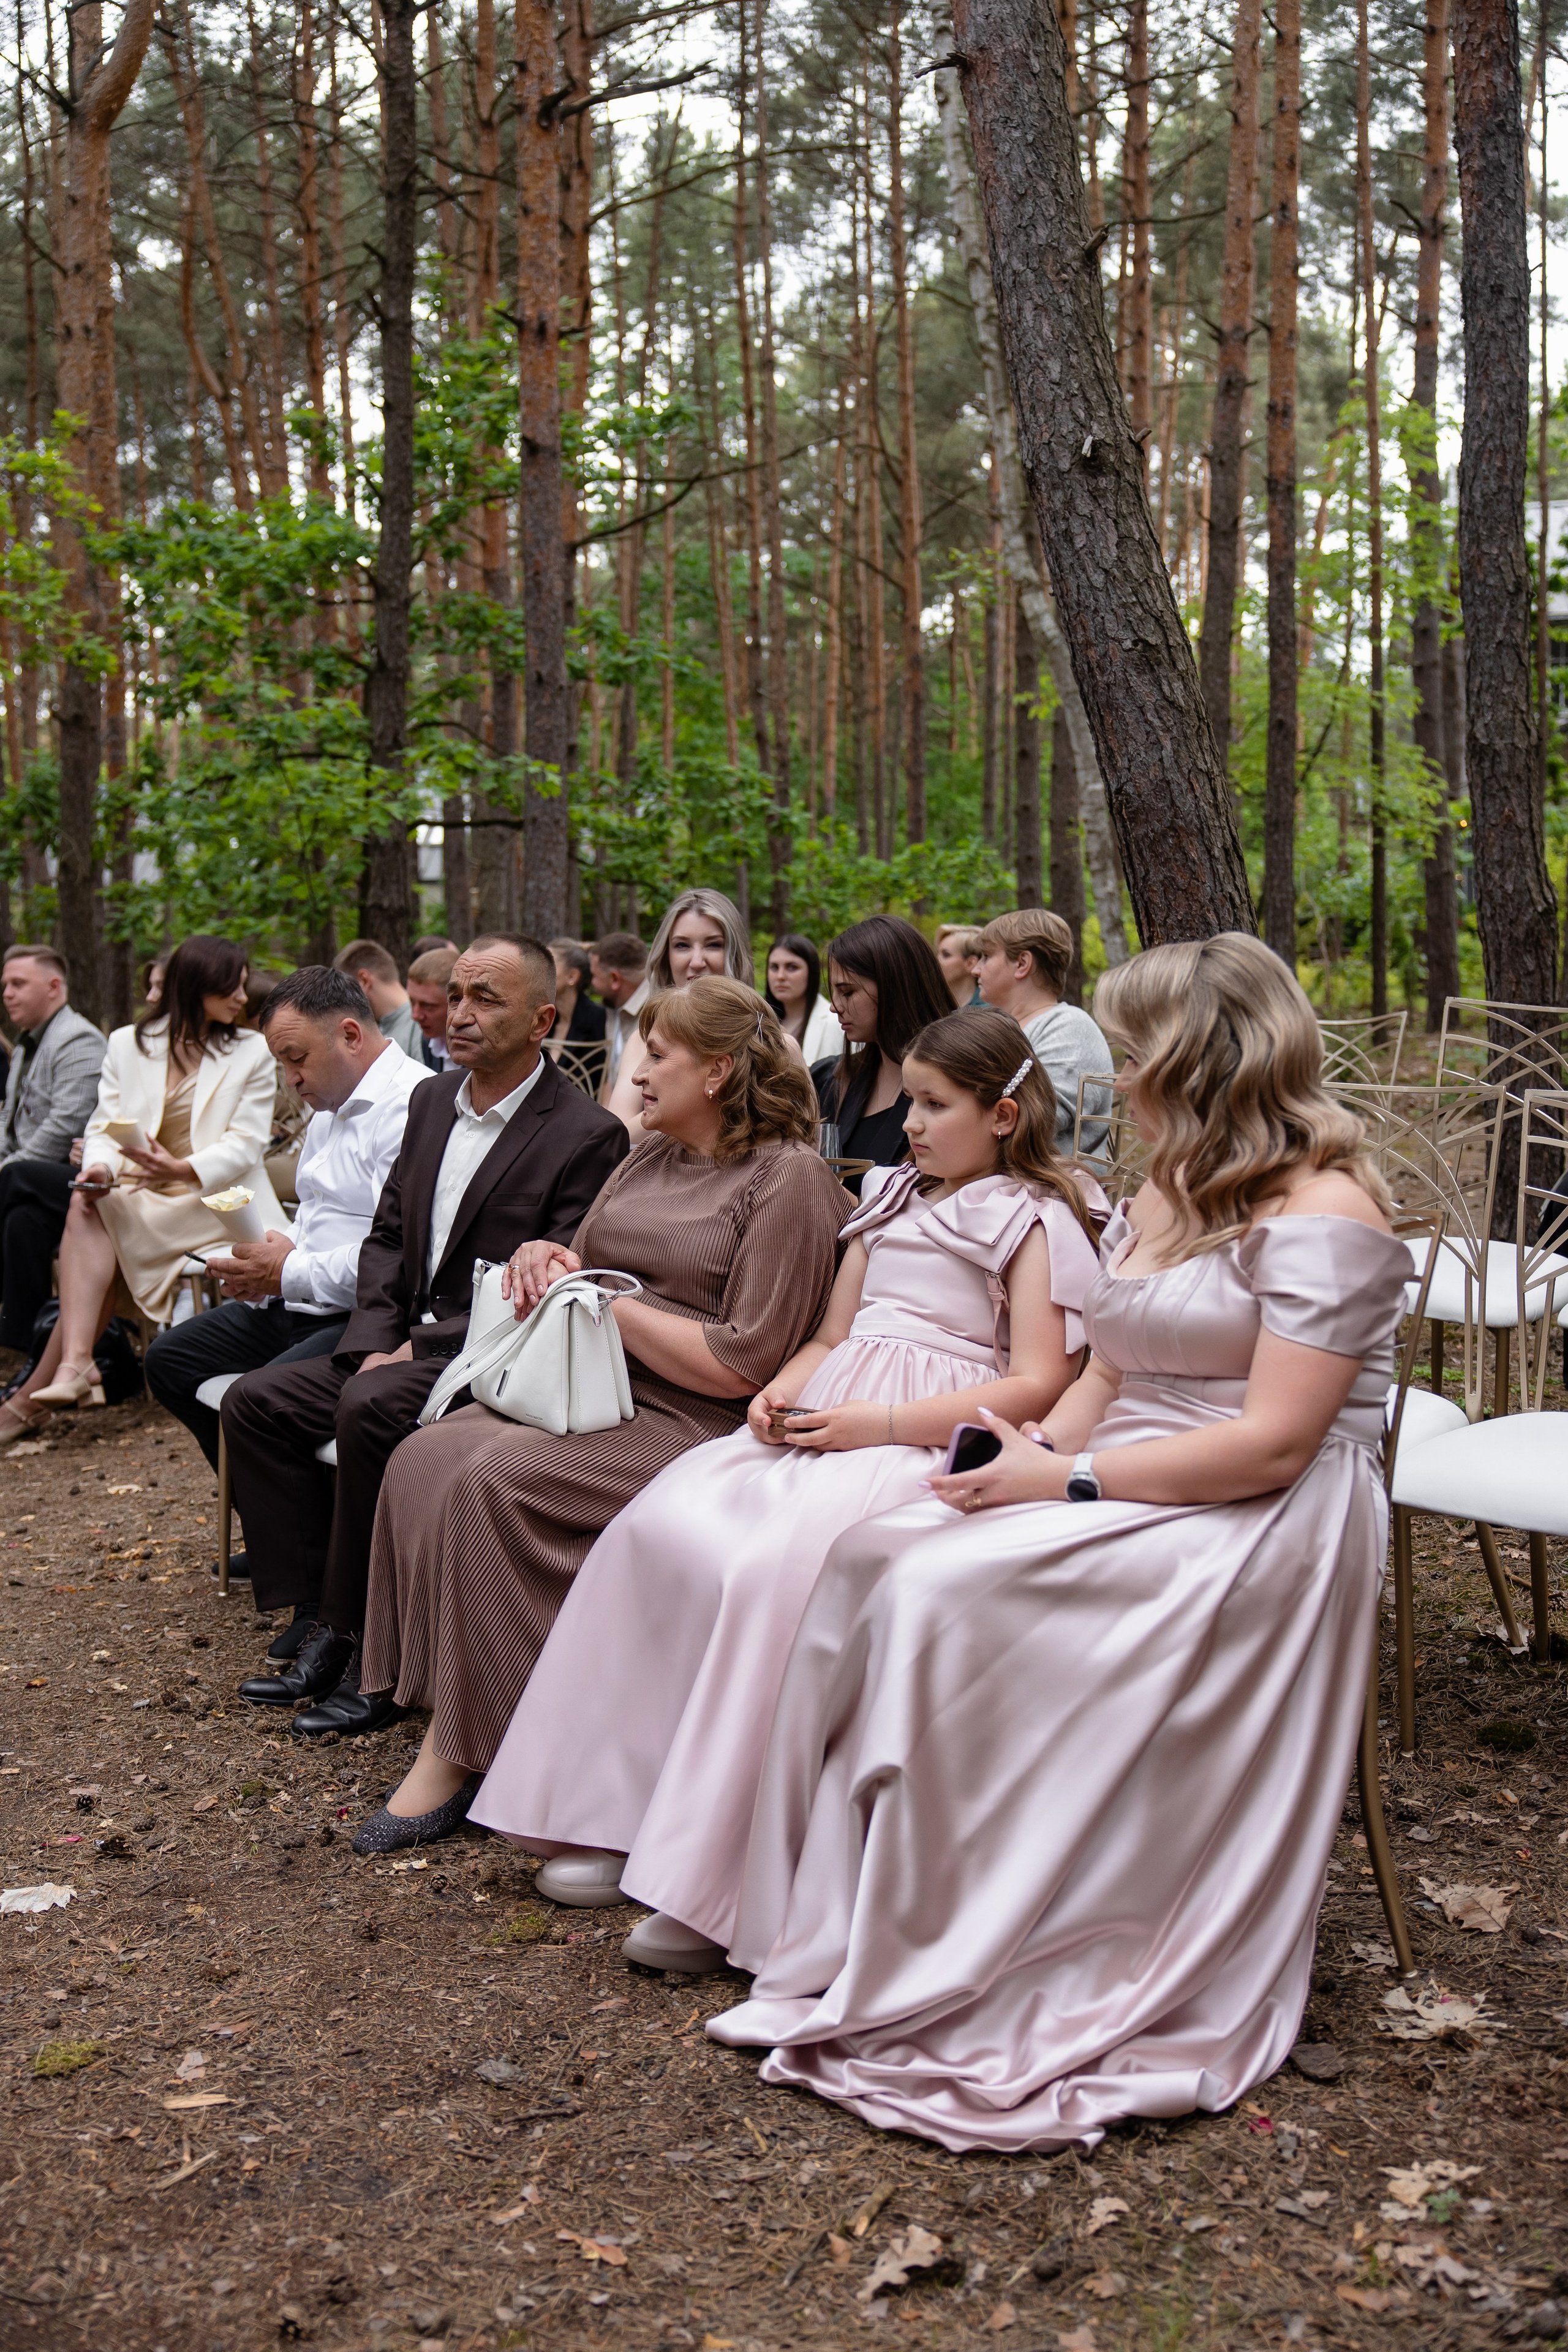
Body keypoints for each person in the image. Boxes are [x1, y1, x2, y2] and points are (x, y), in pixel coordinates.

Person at [706, 934, 1410, 2154]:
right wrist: (1000, 1461)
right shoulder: (1166, 1190)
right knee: (882, 1551)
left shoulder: (1324, 1210)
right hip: (1126, 1468)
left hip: (1251, 1522)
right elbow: (1099, 1379)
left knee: (942, 1598)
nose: (1114, 1081)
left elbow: (1272, 1446)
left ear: (1198, 1066)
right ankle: (845, 1932)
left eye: (1132, 1056)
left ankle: (988, 1939)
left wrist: (1066, 1480)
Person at [475, 1009, 1107, 1972]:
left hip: (924, 1437)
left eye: (937, 1108)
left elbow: (1037, 1383)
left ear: (1007, 1115)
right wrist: (783, 1392)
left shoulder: (1037, 1220)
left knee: (774, 1573)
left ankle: (716, 1874)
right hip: (827, 1421)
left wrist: (881, 1426)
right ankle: (616, 1807)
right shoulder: (891, 1198)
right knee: (662, 1529)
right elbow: (826, 1335)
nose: (912, 1127)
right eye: (912, 1105)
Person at [345, 974, 850, 1856]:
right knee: (423, 1456)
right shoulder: (649, 1155)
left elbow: (744, 1363)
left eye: (658, 1055)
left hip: (696, 1422)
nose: (637, 1072)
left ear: (721, 1071)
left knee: (491, 1481)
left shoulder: (789, 1179)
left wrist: (602, 1304)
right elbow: (600, 1259)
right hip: (589, 1388)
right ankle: (460, 1703)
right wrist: (552, 1258)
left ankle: (476, 1750)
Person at [222, 936, 628, 1736]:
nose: (462, 1013)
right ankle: (316, 1613)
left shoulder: (585, 1134)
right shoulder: (433, 1102)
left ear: (544, 1018)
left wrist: (429, 1347)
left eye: (488, 999)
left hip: (490, 1356)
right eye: (459, 993)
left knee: (368, 1405)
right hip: (398, 1340)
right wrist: (378, 1335)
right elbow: (387, 1239)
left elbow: (547, 1286)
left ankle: (365, 1649)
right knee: (256, 1403)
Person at [144, 968, 434, 1608]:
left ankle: (315, 1580)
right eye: (281, 1062)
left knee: (258, 1398)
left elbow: (403, 1260)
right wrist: (269, 1266)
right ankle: (281, 1523)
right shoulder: (330, 1104)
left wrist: (289, 1271)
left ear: (351, 1034)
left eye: (296, 1059)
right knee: (170, 1359)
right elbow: (322, 1220)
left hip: (370, 1314)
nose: (290, 1079)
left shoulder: (414, 1107)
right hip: (302, 1297)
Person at [20, 937, 284, 1414]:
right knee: (88, 1197)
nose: (244, 999)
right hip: (143, 1193)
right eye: (234, 988)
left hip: (218, 1202)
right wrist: (99, 1167)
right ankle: (75, 1364)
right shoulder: (127, 1044)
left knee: (89, 1220)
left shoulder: (253, 1050)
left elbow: (247, 1144)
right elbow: (102, 1126)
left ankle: (62, 1375)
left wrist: (182, 1168)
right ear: (196, 985)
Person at [0, 946, 108, 1428]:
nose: (7, 994)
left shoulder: (78, 1041)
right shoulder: (28, 1043)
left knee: (17, 1177)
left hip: (90, 1182)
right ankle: (22, 1353)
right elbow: (10, 1124)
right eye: (5, 985)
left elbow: (61, 1131)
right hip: (35, 1189)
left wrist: (6, 1171)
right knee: (21, 1223)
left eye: (18, 984)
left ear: (54, 987)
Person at [812, 915, 954, 1192]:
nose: (834, 1006)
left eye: (848, 992)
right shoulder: (828, 1078)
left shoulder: (954, 1086)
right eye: (834, 993)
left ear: (895, 988)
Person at [604, 891, 757, 1133]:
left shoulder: (775, 1042)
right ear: (666, 957)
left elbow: (805, 1140)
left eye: (714, 945)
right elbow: (615, 1133)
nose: (697, 961)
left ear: (734, 954)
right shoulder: (643, 1042)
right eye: (682, 945)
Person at [976, 908, 1113, 1159]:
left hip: (1047, 1194)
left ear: (1022, 963)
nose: (975, 969)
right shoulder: (1000, 1025)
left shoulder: (1070, 1027)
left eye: (986, 956)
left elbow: (1035, 1122)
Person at [333, 938, 424, 1063]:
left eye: (345, 992)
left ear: (364, 980)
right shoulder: (381, 1027)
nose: (345, 1002)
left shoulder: (421, 1023)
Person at [764, 935, 843, 1063]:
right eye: (774, 967)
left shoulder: (836, 1023)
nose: (780, 976)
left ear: (811, 973)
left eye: (792, 967)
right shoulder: (760, 1023)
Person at [590, 932, 649, 1098]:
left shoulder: (654, 1013)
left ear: (615, 979)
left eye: (594, 976)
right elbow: (612, 1079)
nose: (592, 983)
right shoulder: (613, 1007)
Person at [546, 939, 608, 1044]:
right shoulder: (545, 1019)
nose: (539, 972)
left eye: (549, 966)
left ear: (572, 977)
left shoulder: (599, 1021)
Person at [407, 948, 458, 1071]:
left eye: (428, 1006)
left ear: (456, 1001)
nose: (416, 1015)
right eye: (412, 1002)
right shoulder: (428, 1043)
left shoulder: (481, 1052)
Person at [934, 923, 984, 1008]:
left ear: (970, 964)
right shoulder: (930, 1003)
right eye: (937, 954)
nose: (936, 960)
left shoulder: (987, 1012)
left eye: (946, 955)